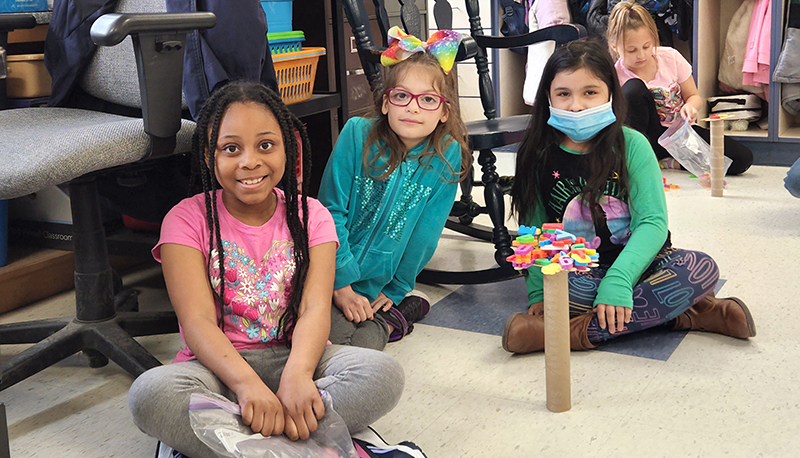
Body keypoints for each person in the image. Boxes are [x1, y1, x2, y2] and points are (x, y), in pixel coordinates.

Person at [126, 81, 404, 458]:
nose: (250, 161)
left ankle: (242, 442)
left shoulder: (312, 216)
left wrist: (298, 377)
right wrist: (247, 387)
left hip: (301, 359)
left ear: (287, 148)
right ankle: (304, 442)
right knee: (149, 396)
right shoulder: (185, 220)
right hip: (219, 372)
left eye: (265, 145)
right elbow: (197, 323)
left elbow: (314, 309)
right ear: (209, 156)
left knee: (383, 375)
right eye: (230, 148)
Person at [502, 39, 756, 354]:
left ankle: (569, 334)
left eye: (590, 92)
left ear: (611, 93)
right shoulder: (537, 153)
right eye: (563, 94)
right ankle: (688, 313)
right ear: (548, 98)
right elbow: (536, 229)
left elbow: (652, 223)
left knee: (701, 268)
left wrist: (620, 280)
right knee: (563, 291)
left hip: (645, 265)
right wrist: (538, 295)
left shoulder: (632, 144)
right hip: (580, 273)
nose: (577, 105)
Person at [318, 27, 471, 350]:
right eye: (401, 96)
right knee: (309, 332)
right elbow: (329, 211)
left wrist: (399, 286)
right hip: (323, 272)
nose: (412, 108)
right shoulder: (357, 135)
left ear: (444, 112)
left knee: (349, 342)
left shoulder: (447, 155)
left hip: (375, 287)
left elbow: (426, 233)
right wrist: (341, 283)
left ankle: (397, 313)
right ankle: (399, 317)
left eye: (428, 100)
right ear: (386, 103)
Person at [607, 1, 753, 175]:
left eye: (647, 46)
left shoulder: (670, 57)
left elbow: (694, 96)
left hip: (680, 135)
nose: (641, 55)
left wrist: (690, 107)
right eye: (631, 50)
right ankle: (644, 156)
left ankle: (669, 161)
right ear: (615, 46)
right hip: (647, 139)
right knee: (634, 89)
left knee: (742, 159)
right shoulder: (615, 74)